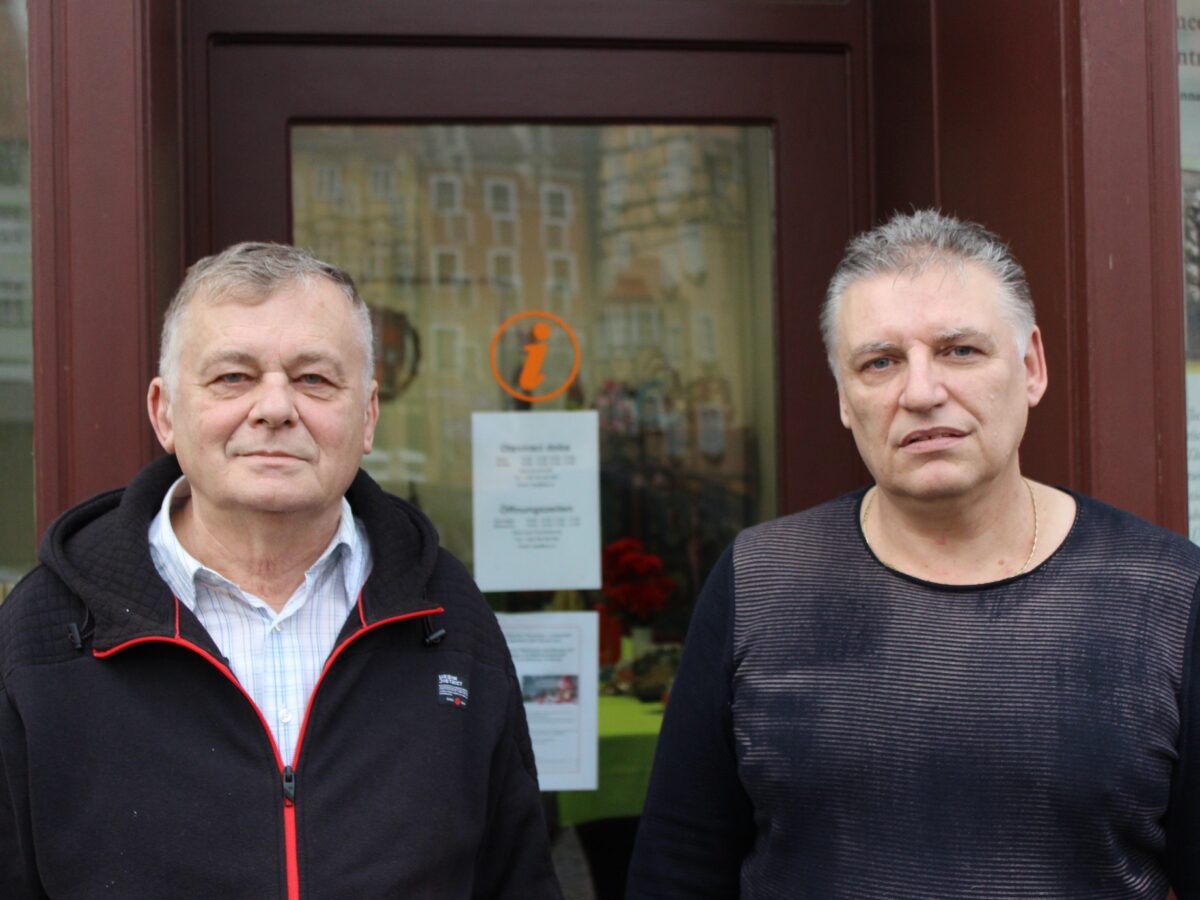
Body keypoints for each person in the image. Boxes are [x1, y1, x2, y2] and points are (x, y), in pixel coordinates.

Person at [626, 210, 1200, 898]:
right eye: (881, 362)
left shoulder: (1166, 594)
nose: (922, 393)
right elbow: (676, 869)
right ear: (844, 397)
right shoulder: (761, 583)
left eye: (960, 350)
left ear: (1032, 367)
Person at [0, 243, 561, 898]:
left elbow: (515, 877)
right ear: (165, 412)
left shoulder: (448, 618)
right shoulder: (47, 632)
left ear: (369, 416)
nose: (274, 408)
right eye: (232, 378)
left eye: (314, 379)